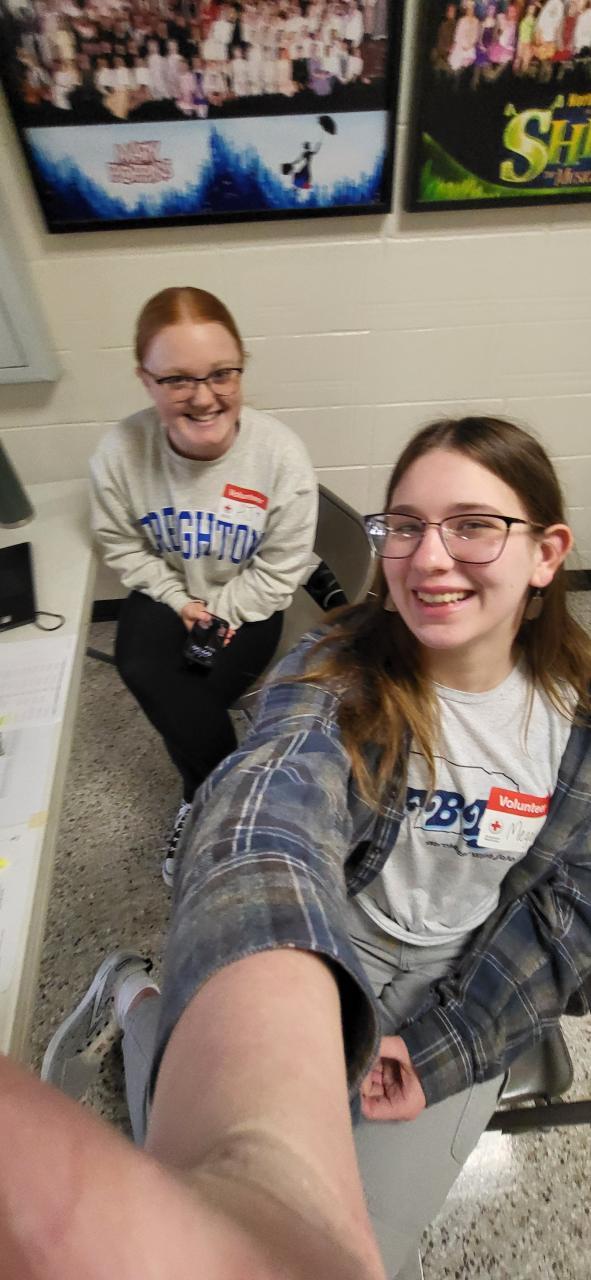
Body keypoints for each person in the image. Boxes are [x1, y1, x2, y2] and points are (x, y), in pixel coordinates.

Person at [41, 416, 591, 1276]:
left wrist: (450, 1042)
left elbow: (572, 905)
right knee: (210, 1207)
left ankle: (148, 1008)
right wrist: (266, 1064)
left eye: (472, 526)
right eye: (404, 526)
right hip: (328, 948)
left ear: (546, 553)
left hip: (461, 976)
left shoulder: (576, 722)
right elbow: (269, 804)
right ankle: (133, 994)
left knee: (374, 1254)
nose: (428, 558)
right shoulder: (333, 668)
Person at [89, 286, 317, 886]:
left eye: (222, 373)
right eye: (177, 380)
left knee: (187, 693)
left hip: (250, 600)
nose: (204, 397)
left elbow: (280, 570)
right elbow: (122, 546)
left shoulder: (280, 457)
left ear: (241, 366)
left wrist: (217, 611)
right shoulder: (120, 452)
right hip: (167, 587)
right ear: (145, 380)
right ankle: (231, 800)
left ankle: (205, 797)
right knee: (141, 666)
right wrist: (178, 601)